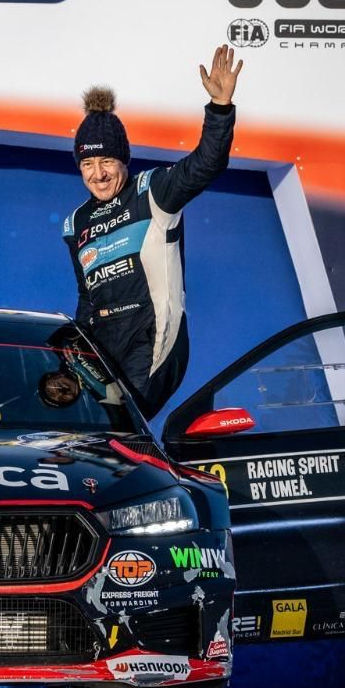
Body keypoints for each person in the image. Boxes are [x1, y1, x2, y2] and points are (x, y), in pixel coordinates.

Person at [61, 44, 243, 417]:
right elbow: (86, 297)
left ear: (123, 160)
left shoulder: (153, 191)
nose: (98, 174)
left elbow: (206, 164)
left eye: (107, 161)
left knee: (126, 423)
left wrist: (220, 110)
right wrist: (78, 355)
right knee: (96, 433)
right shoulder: (75, 223)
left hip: (155, 337)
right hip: (103, 346)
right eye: (88, 164)